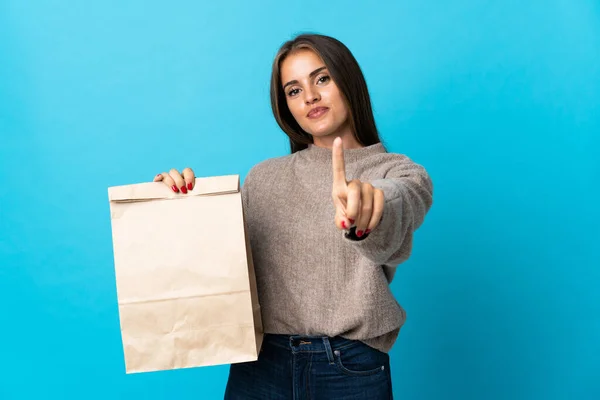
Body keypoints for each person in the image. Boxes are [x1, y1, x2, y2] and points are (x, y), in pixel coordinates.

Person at [154, 34, 433, 399]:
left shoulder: (399, 173)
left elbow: (396, 211)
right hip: (260, 366)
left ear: (348, 81)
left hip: (349, 371)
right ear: (286, 106)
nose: (311, 97)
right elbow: (216, 265)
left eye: (322, 79)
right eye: (294, 90)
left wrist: (367, 210)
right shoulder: (264, 178)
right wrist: (177, 204)